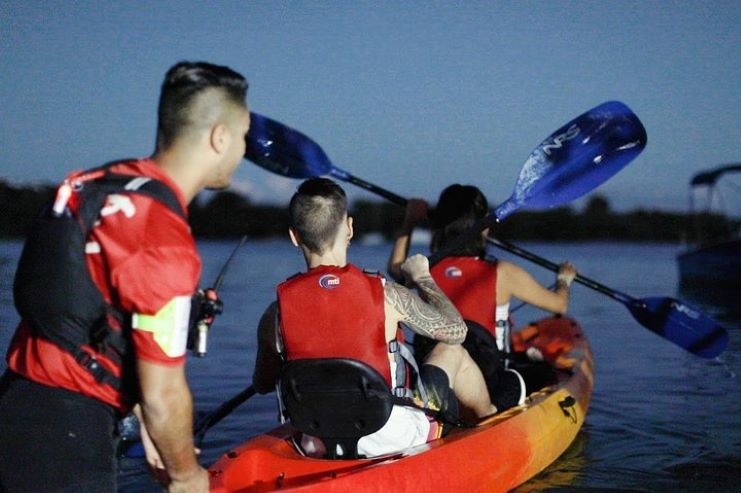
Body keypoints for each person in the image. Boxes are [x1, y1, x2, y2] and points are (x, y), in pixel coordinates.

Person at [0, 61, 250, 493]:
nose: (244, 151)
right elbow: (164, 393)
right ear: (220, 137)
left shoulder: (95, 183)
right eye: (243, 137)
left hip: (15, 405)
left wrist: (147, 423)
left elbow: (90, 308)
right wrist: (187, 475)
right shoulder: (162, 236)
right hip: (68, 439)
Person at [252, 178, 497, 458]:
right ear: (350, 229)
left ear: (294, 236)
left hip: (315, 441)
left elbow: (262, 384)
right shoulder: (386, 296)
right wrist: (424, 278)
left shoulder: (275, 314)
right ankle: (491, 424)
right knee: (450, 351)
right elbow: (456, 331)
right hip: (392, 437)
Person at [387, 184, 577, 410]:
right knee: (543, 371)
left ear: (437, 224)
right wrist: (564, 280)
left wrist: (409, 221)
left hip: (436, 369)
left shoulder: (421, 270)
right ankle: (494, 409)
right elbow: (560, 304)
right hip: (490, 379)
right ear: (484, 228)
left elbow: (396, 267)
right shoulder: (502, 272)